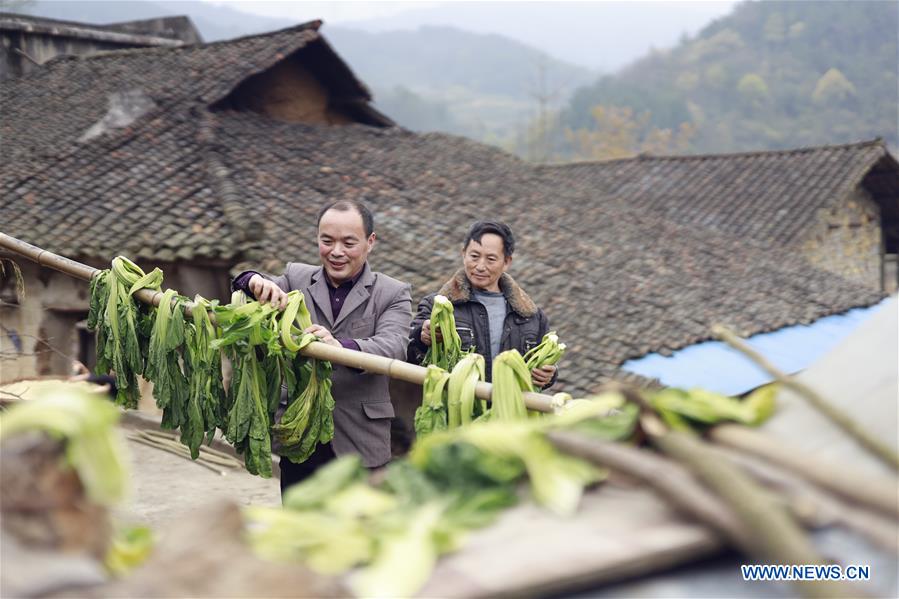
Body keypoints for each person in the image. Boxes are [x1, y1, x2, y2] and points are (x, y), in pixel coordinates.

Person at [231, 199, 412, 493]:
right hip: (301, 438)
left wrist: (338, 346)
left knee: (356, 532)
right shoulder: (296, 277)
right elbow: (248, 286)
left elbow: (393, 346)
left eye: (348, 243)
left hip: (360, 443)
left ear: (370, 242)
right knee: (300, 528)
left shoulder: (392, 293)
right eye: (327, 241)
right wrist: (252, 281)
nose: (336, 252)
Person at [408, 221, 558, 388]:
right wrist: (423, 338)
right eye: (474, 256)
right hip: (451, 409)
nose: (480, 266)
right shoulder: (436, 306)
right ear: (463, 254)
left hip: (509, 413)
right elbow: (409, 354)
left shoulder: (532, 318)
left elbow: (542, 370)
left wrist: (548, 375)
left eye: (491, 259)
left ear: (507, 262)